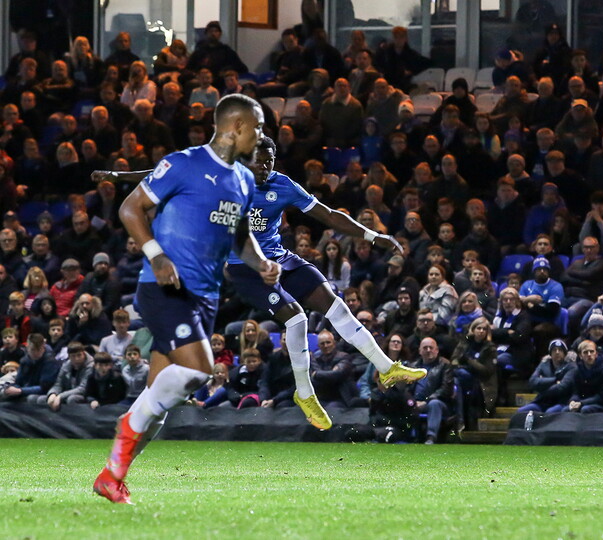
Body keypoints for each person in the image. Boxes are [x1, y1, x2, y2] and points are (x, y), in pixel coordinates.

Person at [98, 136, 425, 433]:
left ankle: (387, 368)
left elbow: (327, 215)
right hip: (245, 269)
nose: (265, 166)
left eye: (269, 160)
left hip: (281, 258)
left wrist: (372, 235)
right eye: (259, 160)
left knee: (335, 304)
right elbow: (163, 174)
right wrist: (117, 178)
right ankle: (305, 393)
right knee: (297, 319)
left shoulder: (282, 185)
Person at [91, 94, 282, 504]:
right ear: (236, 127)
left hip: (205, 297)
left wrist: (262, 262)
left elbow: (239, 238)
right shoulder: (184, 163)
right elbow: (130, 208)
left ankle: (112, 475)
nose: (263, 135)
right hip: (166, 288)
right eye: (259, 126)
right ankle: (126, 425)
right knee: (199, 372)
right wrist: (156, 255)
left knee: (159, 400)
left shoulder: (245, 180)